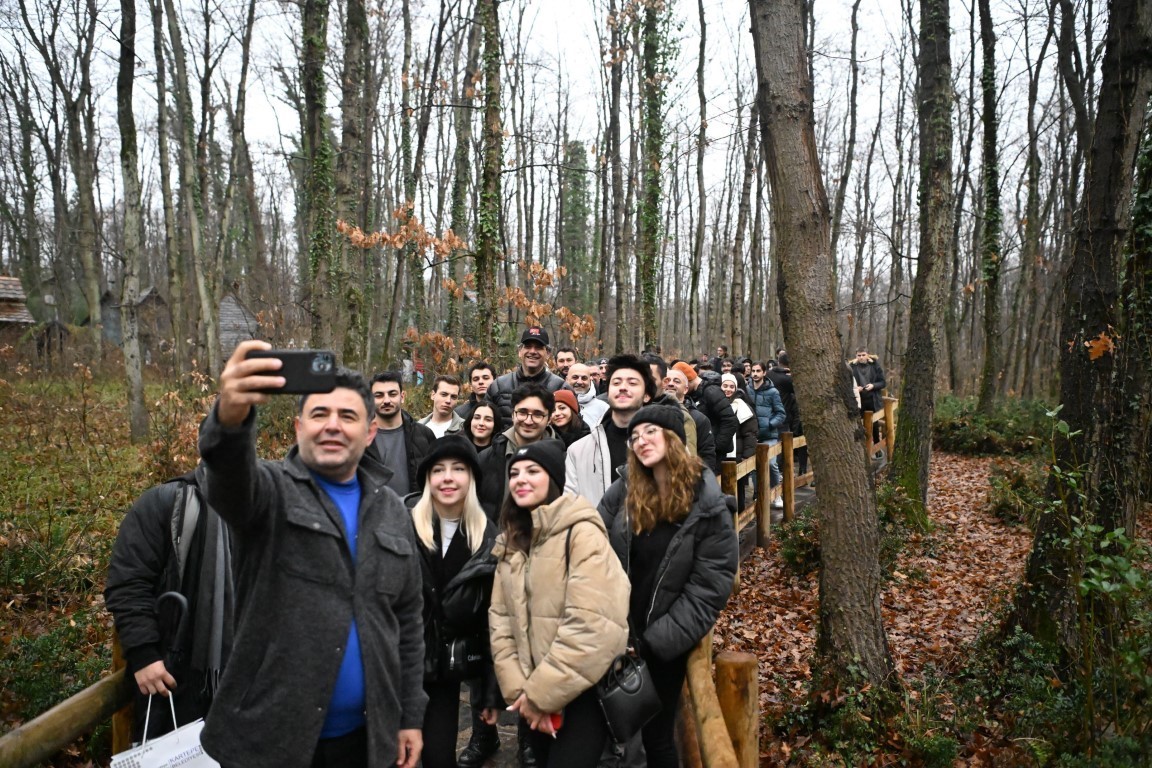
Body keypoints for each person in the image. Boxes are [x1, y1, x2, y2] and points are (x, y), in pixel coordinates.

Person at [196, 340, 426, 768]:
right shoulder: (269, 492)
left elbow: (408, 621)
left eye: (348, 416)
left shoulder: (393, 512)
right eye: (320, 414)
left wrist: (410, 714)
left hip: (365, 741)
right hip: (269, 743)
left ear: (370, 432)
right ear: (299, 428)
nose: (332, 425)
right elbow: (227, 477)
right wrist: (230, 417)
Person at [597, 405, 738, 768]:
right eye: (634, 436)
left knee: (658, 738)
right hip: (616, 633)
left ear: (672, 438)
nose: (640, 441)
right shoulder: (624, 489)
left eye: (650, 432)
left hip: (663, 644)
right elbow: (594, 541)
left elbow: (709, 587)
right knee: (611, 732)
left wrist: (655, 642)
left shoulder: (706, 502)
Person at [489, 441, 630, 768]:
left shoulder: (581, 534)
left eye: (532, 471)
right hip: (530, 697)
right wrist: (520, 693)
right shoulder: (511, 542)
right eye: (514, 473)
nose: (521, 479)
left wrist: (541, 695)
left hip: (581, 696)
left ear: (552, 479)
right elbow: (500, 621)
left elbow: (593, 625)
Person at [105, 467, 234, 742]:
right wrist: (144, 655)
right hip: (174, 676)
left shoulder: (261, 508)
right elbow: (128, 583)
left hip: (246, 683)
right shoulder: (163, 502)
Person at [407, 436, 503, 768]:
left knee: (438, 757)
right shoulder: (402, 524)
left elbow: (493, 621)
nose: (447, 478)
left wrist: (490, 692)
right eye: (438, 470)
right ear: (427, 478)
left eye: (458, 469)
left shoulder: (487, 539)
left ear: (471, 477)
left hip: (443, 676)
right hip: (397, 668)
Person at [564, 354, 655, 507]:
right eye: (616, 382)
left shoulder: (666, 444)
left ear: (646, 395)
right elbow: (569, 507)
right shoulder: (578, 451)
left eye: (632, 383)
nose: (623, 387)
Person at [477, 383, 564, 518]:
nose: (528, 421)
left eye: (538, 414)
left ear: (549, 419)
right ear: (513, 414)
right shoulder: (486, 458)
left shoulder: (564, 459)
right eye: (522, 412)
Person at [368, 371, 436, 496]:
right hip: (373, 507)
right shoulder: (359, 438)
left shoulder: (423, 435)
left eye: (392, 394)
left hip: (416, 507)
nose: (386, 400)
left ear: (402, 396)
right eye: (379, 395)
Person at [484, 327, 566, 421]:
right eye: (528, 346)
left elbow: (572, 425)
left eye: (538, 347)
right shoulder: (498, 386)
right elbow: (485, 421)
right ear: (520, 351)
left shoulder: (560, 387)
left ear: (547, 354)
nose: (532, 351)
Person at [675, 362, 737, 474]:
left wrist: (715, 446)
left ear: (688, 381)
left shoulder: (711, 392)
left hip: (715, 451)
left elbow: (730, 420)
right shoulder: (696, 393)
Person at [662, 365, 719, 474]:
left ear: (686, 389)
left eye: (677, 381)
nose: (671, 384)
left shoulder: (699, 419)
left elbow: (707, 456)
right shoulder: (649, 413)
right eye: (667, 380)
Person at [748, 361, 788, 509]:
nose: (755, 374)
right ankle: (758, 494)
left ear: (764, 372)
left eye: (758, 371)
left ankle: (776, 494)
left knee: (771, 464)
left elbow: (781, 414)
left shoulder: (773, 392)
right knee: (754, 467)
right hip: (752, 435)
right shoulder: (746, 389)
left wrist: (769, 424)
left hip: (769, 435)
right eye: (753, 371)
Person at [768, 353, 807, 475]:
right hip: (782, 417)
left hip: (767, 415)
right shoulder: (786, 379)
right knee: (781, 447)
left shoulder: (768, 374)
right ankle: (779, 473)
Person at [850, 347, 887, 442]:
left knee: (874, 424)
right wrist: (855, 388)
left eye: (863, 355)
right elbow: (847, 384)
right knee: (858, 424)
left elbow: (883, 383)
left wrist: (873, 385)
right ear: (856, 356)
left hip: (873, 399)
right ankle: (861, 446)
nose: (861, 357)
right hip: (858, 400)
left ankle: (877, 445)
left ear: (867, 355)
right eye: (859, 355)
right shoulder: (852, 367)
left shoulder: (875, 365)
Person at [565, 363, 608, 428]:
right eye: (575, 377)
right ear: (567, 379)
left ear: (590, 381)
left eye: (584, 378)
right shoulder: (556, 405)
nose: (579, 382)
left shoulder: (603, 408)